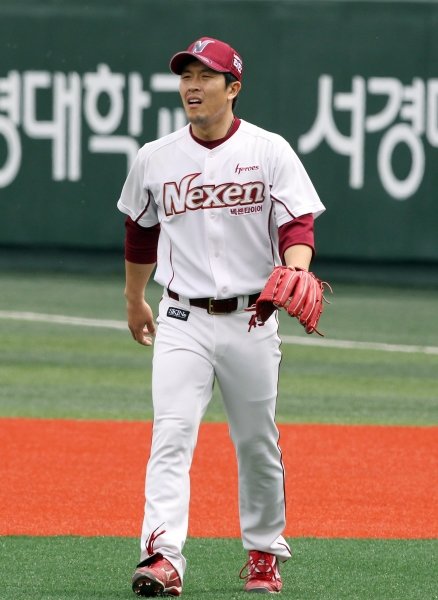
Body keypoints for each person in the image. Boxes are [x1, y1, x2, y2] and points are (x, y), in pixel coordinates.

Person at [117, 36, 325, 597]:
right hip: (181, 317)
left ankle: (263, 554)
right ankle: (162, 556)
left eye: (205, 76)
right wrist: (135, 298)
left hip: (251, 318)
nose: (192, 85)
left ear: (233, 88)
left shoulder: (269, 150)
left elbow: (297, 224)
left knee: (257, 442)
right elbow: (140, 232)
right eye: (186, 75)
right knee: (171, 435)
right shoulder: (155, 157)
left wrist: (297, 268)